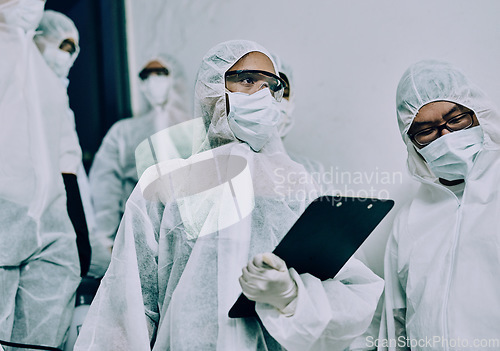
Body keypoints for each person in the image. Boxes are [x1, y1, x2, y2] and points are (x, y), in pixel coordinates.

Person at [74, 39, 383, 351]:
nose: (262, 95)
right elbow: (126, 306)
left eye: (270, 86)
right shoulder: (165, 186)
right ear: (211, 91)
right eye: (247, 81)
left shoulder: (299, 185)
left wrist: (293, 296)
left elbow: (354, 290)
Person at [379, 60, 500, 350]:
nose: (445, 136)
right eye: (426, 131)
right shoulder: (409, 220)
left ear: (478, 113)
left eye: (456, 119)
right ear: (413, 144)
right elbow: (395, 323)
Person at [0, 0, 81, 349]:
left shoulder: (44, 79)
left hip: (50, 228)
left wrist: (74, 223)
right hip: (6, 215)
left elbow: (64, 158)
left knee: (41, 342)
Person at [87, 54, 191, 277]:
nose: (154, 80)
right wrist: (105, 240)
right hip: (135, 240)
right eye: (147, 75)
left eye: (161, 73)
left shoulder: (197, 131)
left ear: (175, 78)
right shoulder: (124, 133)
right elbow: (105, 185)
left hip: (189, 240)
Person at [34, 9, 91, 277]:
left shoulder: (60, 95)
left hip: (65, 184)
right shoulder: (25, 89)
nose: (67, 56)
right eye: (62, 46)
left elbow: (69, 162)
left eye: (73, 49)